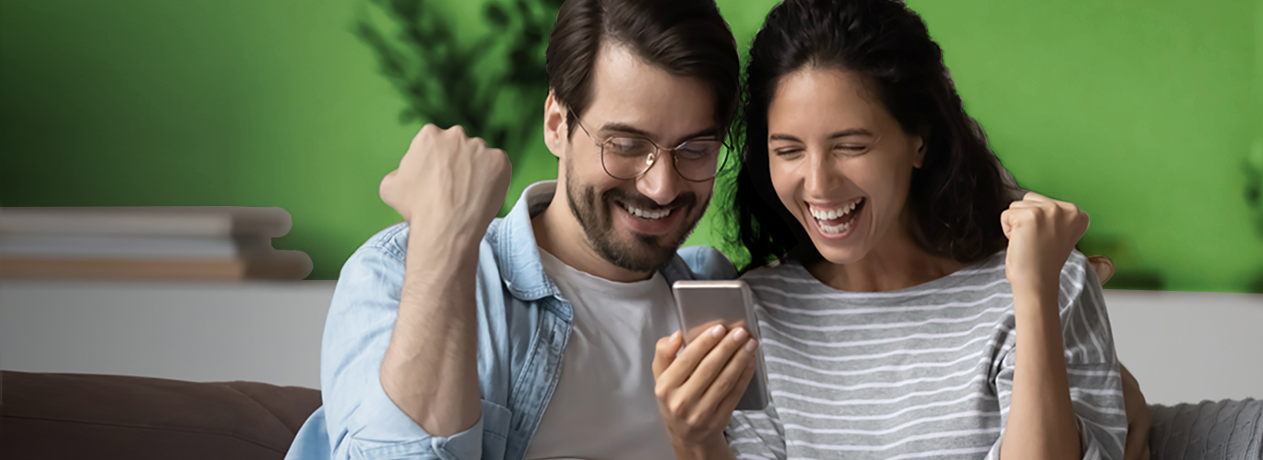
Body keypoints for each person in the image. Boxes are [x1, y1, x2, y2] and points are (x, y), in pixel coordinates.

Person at [651, 0, 1132, 458]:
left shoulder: (1047, 284)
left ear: (918, 140)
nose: (818, 184)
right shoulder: (757, 316)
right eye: (789, 150)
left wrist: (1032, 294)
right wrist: (694, 443)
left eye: (851, 146)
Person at [284, 0, 743, 458]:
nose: (661, 187)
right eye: (624, 145)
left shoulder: (714, 289)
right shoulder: (398, 273)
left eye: (695, 149)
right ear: (556, 123)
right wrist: (443, 239)